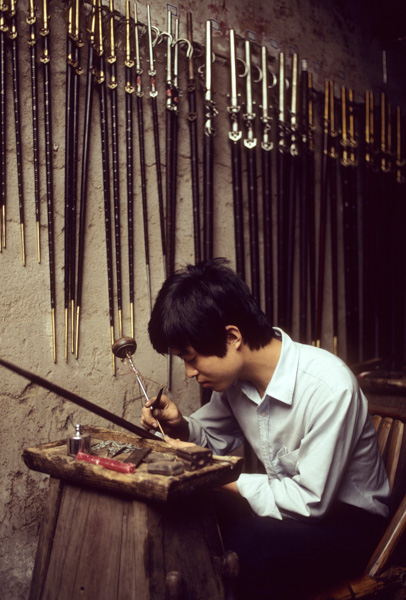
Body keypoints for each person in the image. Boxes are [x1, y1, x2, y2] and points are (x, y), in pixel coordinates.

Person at [141, 258, 390, 599]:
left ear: (232, 337)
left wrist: (212, 472)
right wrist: (181, 426)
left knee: (246, 547)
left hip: (348, 525)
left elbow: (309, 502)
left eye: (192, 357)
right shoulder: (236, 382)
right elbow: (212, 439)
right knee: (188, 514)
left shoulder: (329, 387)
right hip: (289, 508)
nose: (188, 373)